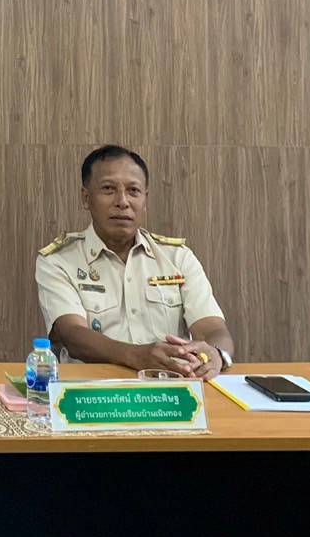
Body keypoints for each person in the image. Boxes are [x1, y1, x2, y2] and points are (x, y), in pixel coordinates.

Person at [35, 145, 235, 379]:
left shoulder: (177, 258)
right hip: (93, 390)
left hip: (170, 390)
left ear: (145, 200)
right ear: (86, 198)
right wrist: (137, 356)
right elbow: (72, 334)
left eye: (133, 191)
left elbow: (212, 327)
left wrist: (216, 354)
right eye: (108, 189)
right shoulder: (59, 261)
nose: (123, 201)